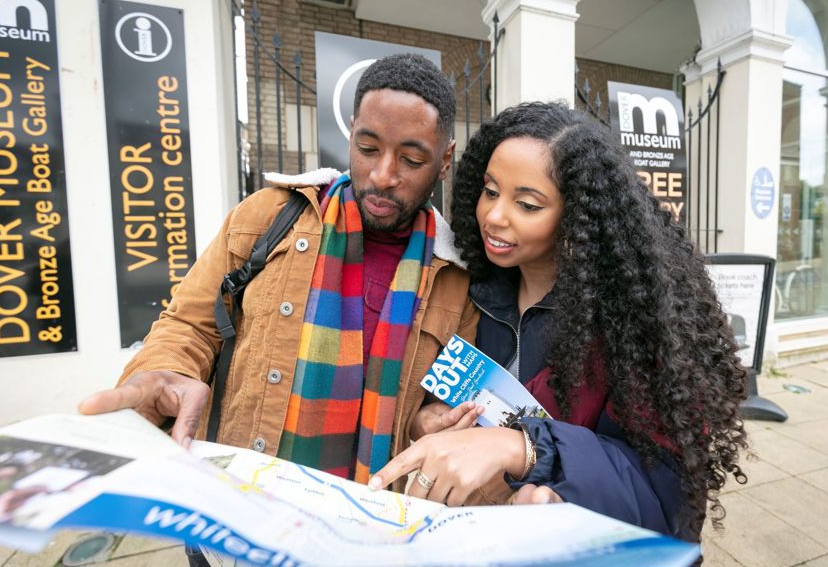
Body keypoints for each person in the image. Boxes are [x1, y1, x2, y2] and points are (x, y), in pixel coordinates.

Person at [78, 53, 481, 491]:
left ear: (445, 160)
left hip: (370, 520)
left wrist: (428, 422)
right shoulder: (268, 216)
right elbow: (189, 324)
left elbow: (440, 404)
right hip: (238, 500)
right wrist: (166, 368)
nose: (382, 175)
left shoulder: (457, 278)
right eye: (367, 149)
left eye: (411, 160)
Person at [369, 102, 749, 541]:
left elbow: (665, 494)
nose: (494, 215)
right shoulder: (463, 291)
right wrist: (425, 422)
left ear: (576, 218)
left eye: (527, 204)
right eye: (491, 191)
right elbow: (428, 399)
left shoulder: (630, 327)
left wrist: (528, 450)